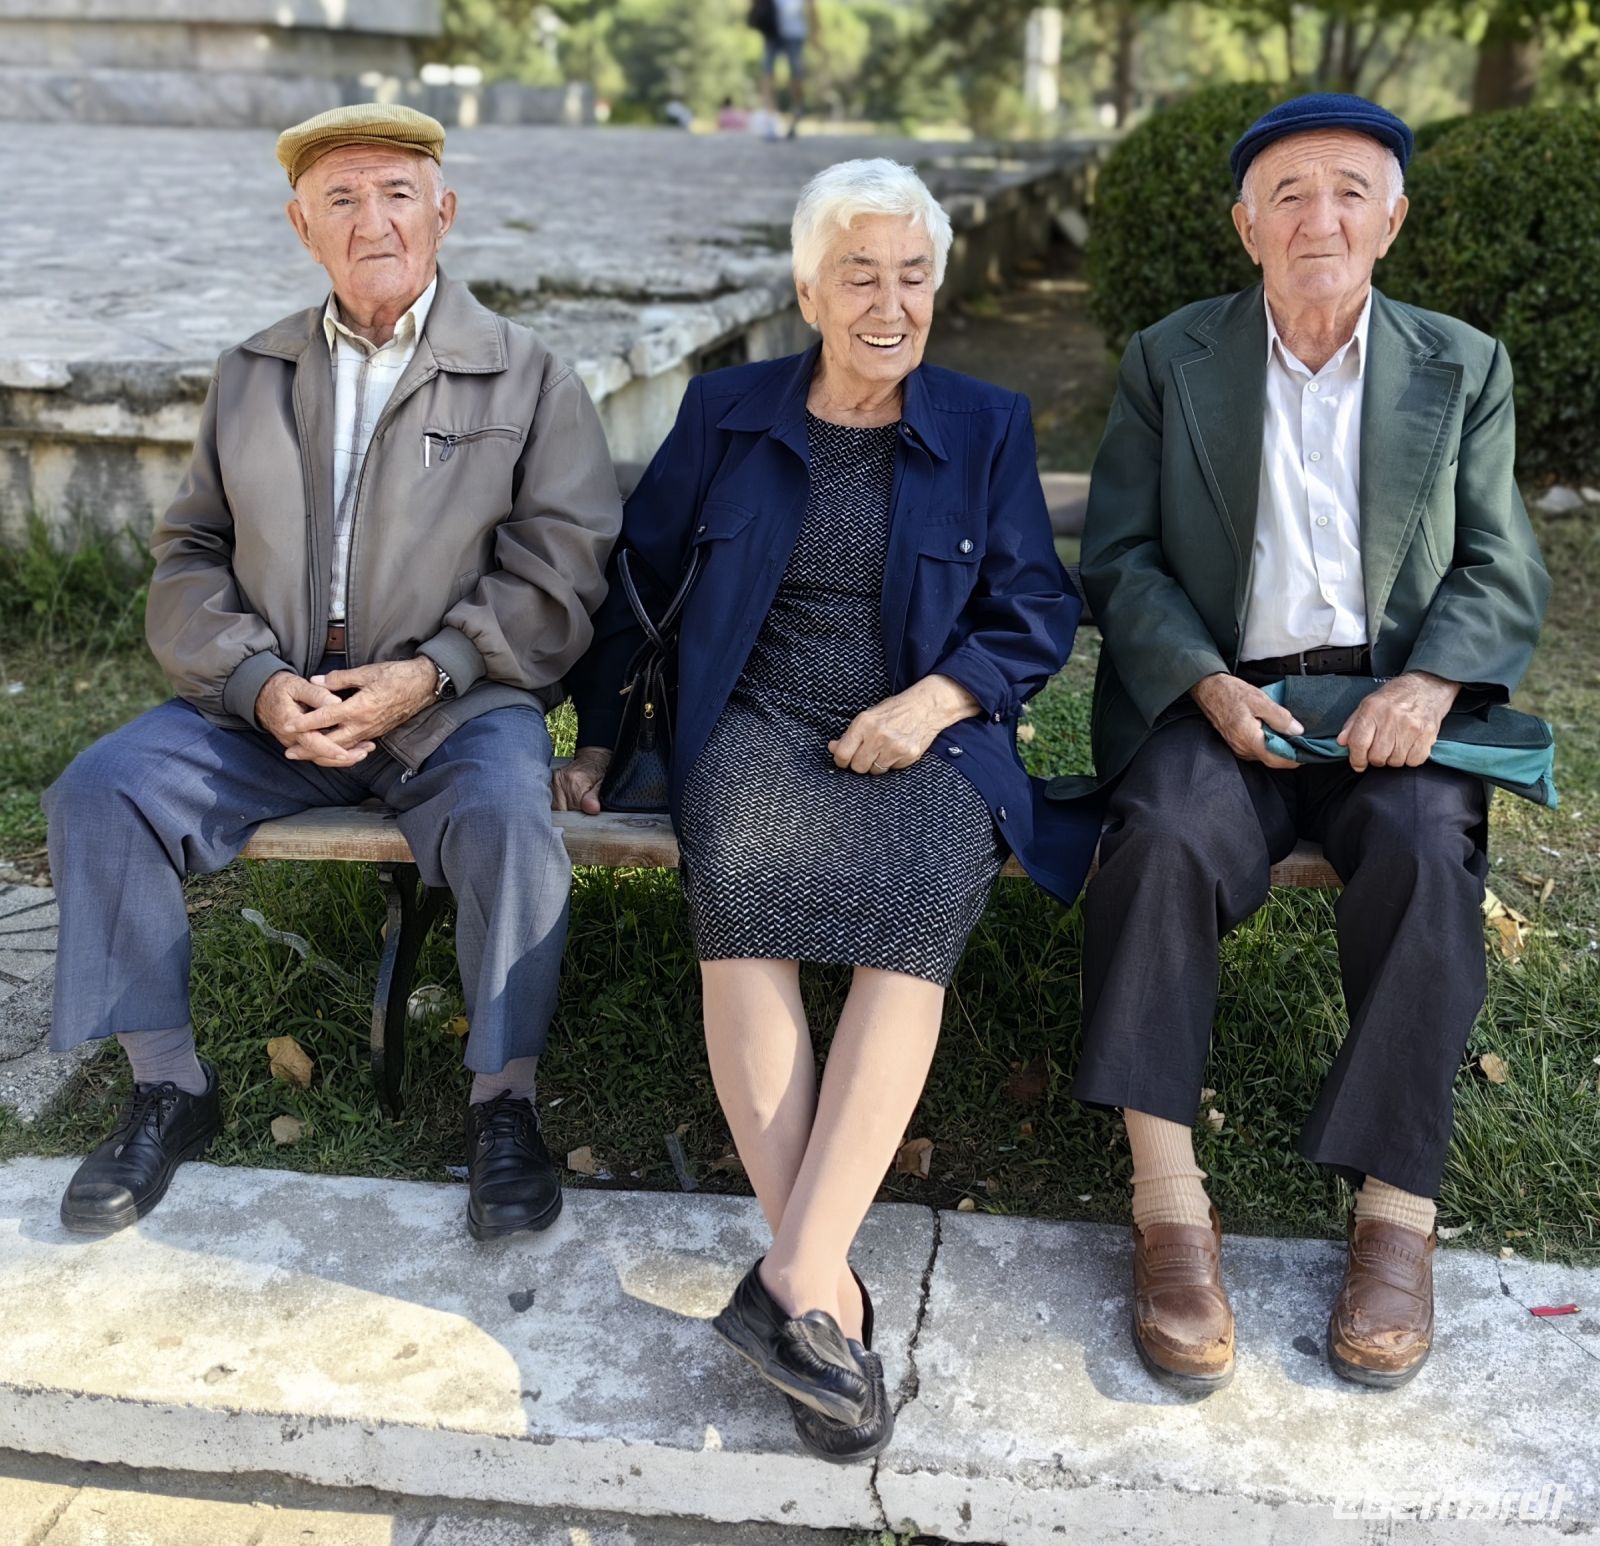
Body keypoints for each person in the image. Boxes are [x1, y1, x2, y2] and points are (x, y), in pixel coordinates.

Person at [560, 158, 1098, 1460]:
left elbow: (1033, 610)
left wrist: (938, 699)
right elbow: (638, 579)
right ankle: (826, 1294)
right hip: (752, 715)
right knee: (737, 880)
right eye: (860, 273)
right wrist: (597, 734)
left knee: (918, 897)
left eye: (914, 275)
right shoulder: (730, 411)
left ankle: (793, 1275)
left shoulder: (985, 422)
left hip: (916, 728)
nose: (889, 300)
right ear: (809, 286)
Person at [43, 104, 623, 1243]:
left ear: (442, 213)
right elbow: (188, 559)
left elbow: (562, 570)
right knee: (98, 791)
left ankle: (502, 1104)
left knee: (511, 814)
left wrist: (433, 671)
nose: (374, 221)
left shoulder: (526, 376)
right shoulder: (251, 372)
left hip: (453, 710)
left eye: (397, 193)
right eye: (343, 200)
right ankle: (169, 1085)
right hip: (275, 712)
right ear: (303, 227)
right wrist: (258, 682)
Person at [1057, 94, 1549, 1393]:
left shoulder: (1465, 365)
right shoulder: (1175, 360)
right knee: (1159, 839)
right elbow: (1125, 556)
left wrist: (1434, 682)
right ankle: (1169, 1205)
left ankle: (1397, 1213)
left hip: (1393, 709)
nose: (1315, 215)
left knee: (1427, 846)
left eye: (1347, 189)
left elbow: (1504, 566)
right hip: (1227, 702)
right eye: (1286, 192)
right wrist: (1208, 685)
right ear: (1244, 226)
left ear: (1391, 218)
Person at [755, 0, 819, 139]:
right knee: (767, 74)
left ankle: (796, 113)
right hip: (772, 29)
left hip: (795, 33)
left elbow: (812, 7)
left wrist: (815, 32)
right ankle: (770, 120)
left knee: (796, 78)